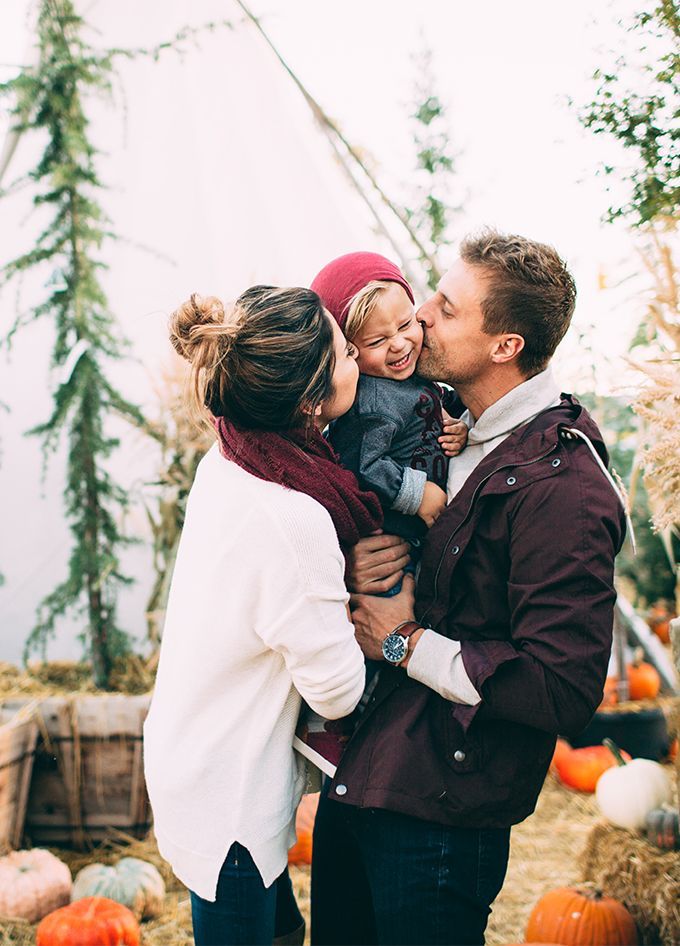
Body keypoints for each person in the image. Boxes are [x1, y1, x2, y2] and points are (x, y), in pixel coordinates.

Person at [310, 230, 628, 946]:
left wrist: (404, 641)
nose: (420, 315)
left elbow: (562, 687)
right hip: (365, 774)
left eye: (447, 308)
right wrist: (355, 568)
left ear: (504, 345)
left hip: (441, 813)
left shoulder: (566, 486)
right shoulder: (437, 416)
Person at [143, 285, 383, 946]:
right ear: (308, 403)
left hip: (193, 753)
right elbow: (337, 690)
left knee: (280, 932)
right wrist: (388, 626)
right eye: (342, 353)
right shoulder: (295, 517)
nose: (358, 357)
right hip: (233, 797)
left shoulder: (229, 456)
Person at [311, 252, 467, 587]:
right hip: (389, 545)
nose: (399, 344)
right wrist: (417, 494)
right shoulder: (369, 400)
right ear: (347, 349)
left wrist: (456, 425)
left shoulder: (410, 376)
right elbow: (359, 465)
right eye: (377, 341)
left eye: (406, 325)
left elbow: (434, 407)